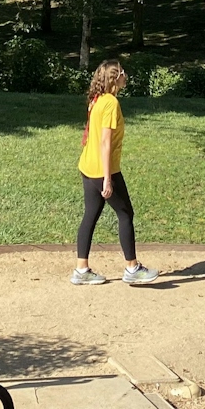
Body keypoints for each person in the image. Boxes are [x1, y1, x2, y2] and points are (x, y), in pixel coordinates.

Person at [72, 58, 158, 285]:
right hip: (102, 170)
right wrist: (108, 179)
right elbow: (105, 143)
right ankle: (132, 268)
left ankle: (81, 270)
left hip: (87, 167)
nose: (125, 75)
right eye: (123, 72)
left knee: (90, 215)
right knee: (125, 214)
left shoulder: (97, 100)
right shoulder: (110, 103)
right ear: (115, 77)